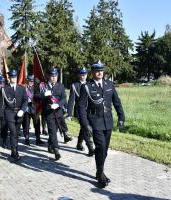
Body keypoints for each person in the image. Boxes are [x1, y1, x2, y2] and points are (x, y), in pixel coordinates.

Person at [78, 60, 125, 188]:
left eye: (101, 70)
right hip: (95, 121)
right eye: (97, 71)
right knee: (100, 147)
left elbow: (117, 102)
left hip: (108, 122)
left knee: (104, 150)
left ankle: (100, 171)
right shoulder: (86, 86)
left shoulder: (109, 84)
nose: (100, 73)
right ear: (92, 72)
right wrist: (85, 124)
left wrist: (121, 117)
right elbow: (81, 107)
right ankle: (100, 174)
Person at [0, 69, 28, 161]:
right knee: (13, 132)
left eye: (15, 77)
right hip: (9, 113)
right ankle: (14, 152)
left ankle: (14, 150)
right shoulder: (4, 89)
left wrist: (22, 109)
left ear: (17, 77)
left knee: (16, 134)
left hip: (19, 113)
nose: (13, 79)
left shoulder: (21, 88)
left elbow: (25, 100)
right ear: (9, 78)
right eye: (12, 77)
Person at [35, 67, 67, 160]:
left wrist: (58, 105)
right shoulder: (43, 86)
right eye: (52, 76)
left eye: (55, 76)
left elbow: (64, 98)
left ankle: (50, 146)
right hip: (48, 113)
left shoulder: (60, 86)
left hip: (58, 113)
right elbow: (36, 97)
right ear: (49, 76)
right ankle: (56, 150)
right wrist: (44, 95)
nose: (54, 78)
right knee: (52, 131)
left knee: (54, 131)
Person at [67, 68, 94, 155]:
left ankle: (79, 144)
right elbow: (71, 100)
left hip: (89, 110)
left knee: (84, 128)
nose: (83, 76)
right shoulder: (74, 85)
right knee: (86, 128)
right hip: (79, 110)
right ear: (79, 75)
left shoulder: (90, 84)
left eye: (85, 74)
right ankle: (90, 147)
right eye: (82, 75)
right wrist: (69, 113)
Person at [22, 75, 44, 145]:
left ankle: (38, 139)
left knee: (37, 124)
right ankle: (27, 138)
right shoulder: (24, 88)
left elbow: (39, 97)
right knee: (26, 125)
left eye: (32, 81)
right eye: (30, 81)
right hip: (27, 109)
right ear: (27, 81)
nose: (31, 82)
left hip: (34, 108)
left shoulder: (36, 88)